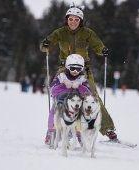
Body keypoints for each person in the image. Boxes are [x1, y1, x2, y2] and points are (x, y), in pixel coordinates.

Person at [40, 4, 118, 144]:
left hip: (84, 69)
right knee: (61, 96)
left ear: (81, 21)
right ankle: (58, 129)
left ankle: (108, 130)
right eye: (71, 19)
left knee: (92, 97)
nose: (73, 22)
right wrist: (45, 45)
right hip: (65, 68)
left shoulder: (87, 33)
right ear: (66, 19)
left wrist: (103, 50)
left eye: (77, 19)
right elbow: (46, 43)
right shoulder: (60, 32)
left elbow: (98, 45)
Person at [45, 54, 90, 145]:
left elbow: (88, 93)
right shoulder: (61, 76)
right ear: (67, 66)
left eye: (78, 69)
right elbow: (52, 90)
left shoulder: (82, 78)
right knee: (55, 111)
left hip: (76, 104)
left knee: (82, 115)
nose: (75, 71)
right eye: (72, 68)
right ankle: (52, 131)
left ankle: (80, 134)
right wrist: (64, 85)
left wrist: (79, 86)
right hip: (61, 102)